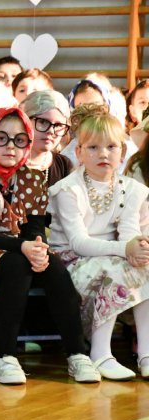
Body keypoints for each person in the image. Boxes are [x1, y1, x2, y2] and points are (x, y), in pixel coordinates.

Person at [0, 107, 101, 385]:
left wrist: (38, 247)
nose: (10, 147)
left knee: (52, 264)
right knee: (18, 262)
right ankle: (4, 356)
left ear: (28, 144)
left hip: (17, 245)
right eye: (1, 138)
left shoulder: (32, 177)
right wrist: (25, 247)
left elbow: (34, 227)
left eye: (19, 140)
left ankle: (78, 353)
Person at [49, 103, 149, 381]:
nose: (103, 154)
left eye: (111, 147)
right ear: (79, 152)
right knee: (114, 269)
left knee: (146, 269)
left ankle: (146, 352)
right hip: (71, 260)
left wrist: (138, 246)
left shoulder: (132, 189)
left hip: (113, 258)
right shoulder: (68, 189)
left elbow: (128, 231)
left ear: (123, 151)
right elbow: (79, 242)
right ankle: (100, 353)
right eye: (93, 148)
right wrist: (124, 250)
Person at [19, 90, 73, 186]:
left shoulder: (64, 166)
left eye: (58, 125)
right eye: (43, 122)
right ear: (25, 120)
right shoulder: (9, 160)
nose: (51, 131)